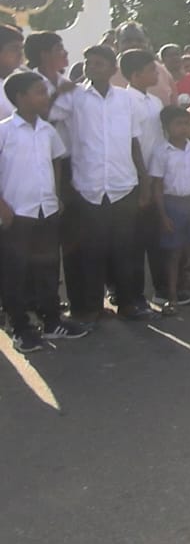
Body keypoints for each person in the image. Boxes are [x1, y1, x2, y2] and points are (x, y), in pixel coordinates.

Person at [51, 46, 155, 323]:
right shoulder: (73, 97)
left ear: (113, 69)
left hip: (123, 184)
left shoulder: (126, 99)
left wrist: (144, 181)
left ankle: (129, 303)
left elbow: (133, 141)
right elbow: (48, 113)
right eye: (88, 63)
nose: (91, 68)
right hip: (88, 186)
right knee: (91, 251)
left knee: (125, 249)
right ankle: (91, 307)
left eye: (98, 63)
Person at [0, 73, 90, 352]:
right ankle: (21, 327)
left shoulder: (48, 130)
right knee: (15, 272)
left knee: (47, 269)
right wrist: (3, 207)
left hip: (46, 210)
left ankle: (52, 321)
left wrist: (56, 194)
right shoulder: (5, 131)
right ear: (20, 97)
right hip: (16, 213)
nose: (45, 97)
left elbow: (56, 160)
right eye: (39, 92)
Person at [149, 105, 190, 313]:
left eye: (187, 123)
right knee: (174, 254)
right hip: (173, 204)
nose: (184, 128)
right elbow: (157, 186)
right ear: (166, 127)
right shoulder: (161, 152)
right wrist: (163, 215)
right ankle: (172, 298)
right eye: (178, 124)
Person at [121, 48, 170, 303]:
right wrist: (144, 180)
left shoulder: (155, 101)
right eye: (152, 70)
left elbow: (159, 141)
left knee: (156, 238)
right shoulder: (125, 102)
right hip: (137, 180)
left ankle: (162, 290)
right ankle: (134, 296)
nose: (156, 74)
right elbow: (132, 144)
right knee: (135, 242)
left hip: (155, 177)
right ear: (135, 74)